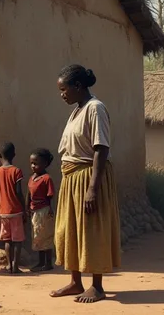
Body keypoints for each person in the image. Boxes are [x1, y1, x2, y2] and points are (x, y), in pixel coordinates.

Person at [50, 65, 120, 304]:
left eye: (64, 89)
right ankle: (75, 281)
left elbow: (101, 148)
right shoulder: (77, 111)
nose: (62, 95)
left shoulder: (95, 108)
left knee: (91, 229)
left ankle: (97, 286)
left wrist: (93, 188)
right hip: (72, 178)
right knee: (70, 229)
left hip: (89, 176)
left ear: (78, 86)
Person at [0, 142, 25, 274]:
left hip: (3, 212)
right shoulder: (17, 171)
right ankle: (16, 266)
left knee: (7, 240)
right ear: (14, 155)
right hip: (16, 211)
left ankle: (9, 265)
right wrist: (24, 208)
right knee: (17, 240)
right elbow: (19, 192)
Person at [25, 148, 56, 272]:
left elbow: (50, 196)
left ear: (45, 164)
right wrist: (27, 208)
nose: (33, 166)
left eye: (36, 163)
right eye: (32, 163)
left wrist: (50, 210)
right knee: (37, 237)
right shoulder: (32, 178)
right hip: (34, 211)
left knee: (45, 236)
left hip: (43, 210)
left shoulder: (46, 178)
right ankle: (40, 262)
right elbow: (28, 194)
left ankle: (48, 263)